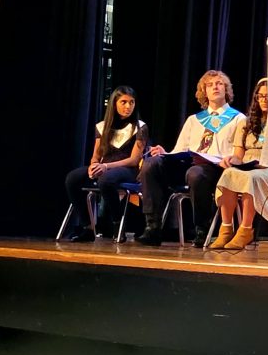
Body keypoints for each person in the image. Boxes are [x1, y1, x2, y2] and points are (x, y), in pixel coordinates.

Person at [137, 70, 246, 247]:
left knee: (196, 173)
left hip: (216, 167)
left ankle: (202, 229)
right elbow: (180, 149)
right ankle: (153, 226)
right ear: (204, 92)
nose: (215, 87)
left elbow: (239, 153)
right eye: (209, 85)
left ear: (226, 89)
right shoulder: (194, 120)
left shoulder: (238, 119)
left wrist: (231, 159)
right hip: (188, 163)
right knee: (152, 163)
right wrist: (165, 153)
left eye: (219, 83)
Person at [62, 86, 149, 242]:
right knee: (73, 179)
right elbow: (96, 155)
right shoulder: (102, 127)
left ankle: (116, 223)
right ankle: (87, 227)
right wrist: (93, 166)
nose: (128, 106)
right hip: (105, 167)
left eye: (131, 102)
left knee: (106, 179)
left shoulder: (139, 127)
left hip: (128, 169)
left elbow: (134, 160)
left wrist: (106, 167)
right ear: (114, 104)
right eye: (123, 102)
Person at [209, 78, 268, 250]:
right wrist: (231, 160)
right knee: (228, 173)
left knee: (248, 179)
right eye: (261, 96)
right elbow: (238, 155)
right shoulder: (246, 123)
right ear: (256, 98)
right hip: (248, 166)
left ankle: (245, 230)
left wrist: (260, 164)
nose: (264, 100)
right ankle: (226, 229)